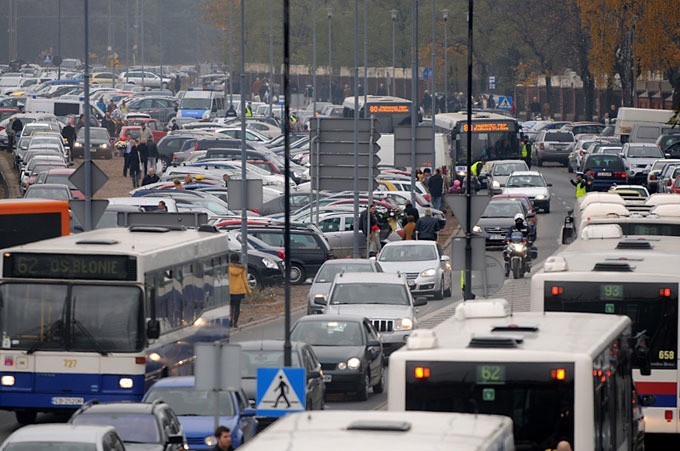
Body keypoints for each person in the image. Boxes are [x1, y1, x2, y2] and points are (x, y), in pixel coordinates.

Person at [229, 253, 251, 329]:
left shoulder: (227, 268)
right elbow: (245, 280)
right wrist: (248, 291)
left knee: (231, 306)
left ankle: (230, 321)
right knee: (237, 307)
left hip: (230, 291)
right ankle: (235, 323)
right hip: (239, 291)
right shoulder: (241, 268)